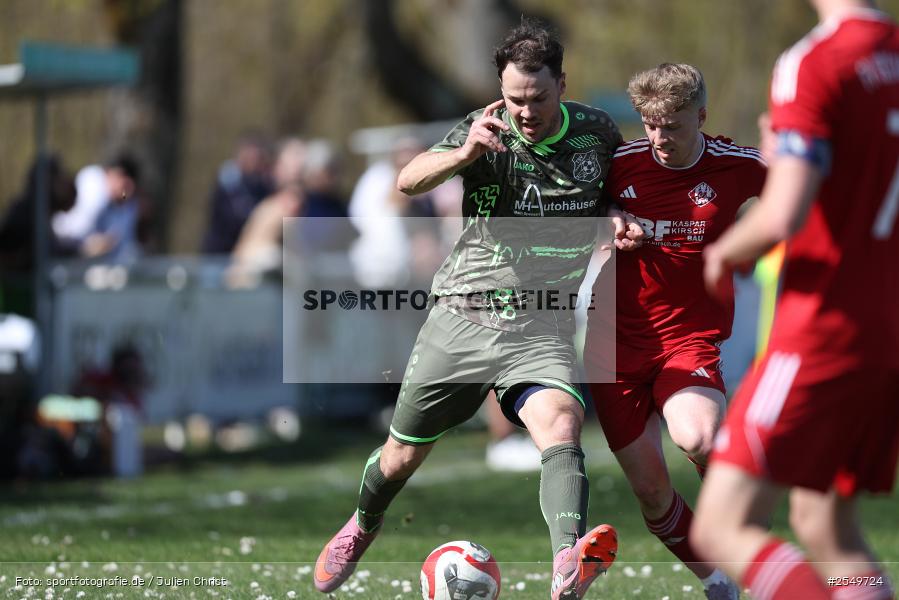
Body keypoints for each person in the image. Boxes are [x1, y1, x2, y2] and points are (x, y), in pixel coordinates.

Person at [313, 18, 641, 600]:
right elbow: (409, 180)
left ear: (562, 85)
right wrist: (464, 153)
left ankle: (567, 561)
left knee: (562, 423)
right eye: (515, 98)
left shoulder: (596, 133)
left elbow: (614, 193)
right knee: (400, 458)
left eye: (538, 97)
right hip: (463, 318)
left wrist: (615, 214)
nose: (526, 111)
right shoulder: (483, 129)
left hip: (541, 322)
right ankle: (363, 524)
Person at [692, 2, 899, 599]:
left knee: (721, 526)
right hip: (886, 329)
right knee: (825, 525)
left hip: (826, 325)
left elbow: (784, 212)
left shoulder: (815, 61)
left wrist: (723, 251)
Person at [583, 63, 766, 600]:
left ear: (701, 117)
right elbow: (579, 205)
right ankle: (717, 580)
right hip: (612, 343)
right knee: (651, 492)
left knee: (699, 436)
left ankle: (738, 525)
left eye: (673, 126)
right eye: (650, 125)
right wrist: (609, 214)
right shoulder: (620, 163)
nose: (660, 138)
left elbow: (805, 191)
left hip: (688, 339)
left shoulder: (738, 165)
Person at [201, 132, 273, 254]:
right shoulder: (228, 180)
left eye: (257, 158)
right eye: (251, 157)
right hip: (220, 251)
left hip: (243, 251)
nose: (254, 162)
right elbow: (234, 216)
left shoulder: (261, 184)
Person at [81, 155, 144, 263]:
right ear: (109, 173)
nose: (126, 186)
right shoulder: (93, 189)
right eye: (121, 177)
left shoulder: (127, 204)